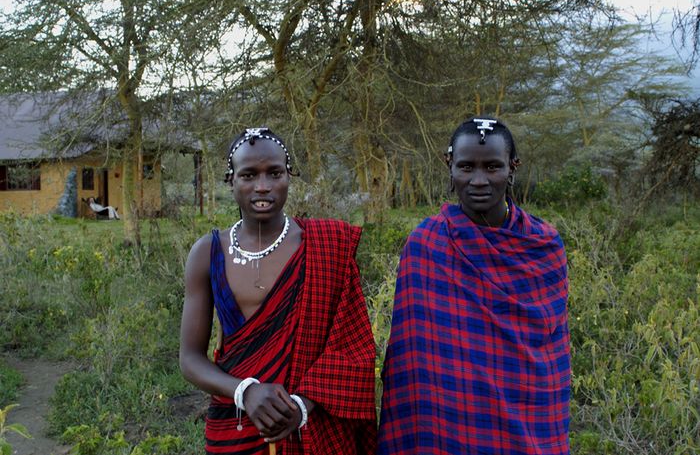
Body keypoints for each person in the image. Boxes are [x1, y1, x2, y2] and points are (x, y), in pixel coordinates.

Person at [378, 117, 570, 454]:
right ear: (450, 167)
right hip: (444, 421)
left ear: (512, 169)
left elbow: (549, 363)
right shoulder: (426, 244)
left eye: (493, 166)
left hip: (526, 421)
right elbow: (414, 357)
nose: (479, 180)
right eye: (466, 167)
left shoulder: (543, 246)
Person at [179, 127, 377, 455]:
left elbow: (352, 349)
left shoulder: (327, 246)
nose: (262, 186)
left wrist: (300, 406)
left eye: (274, 173)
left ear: (289, 176)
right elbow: (190, 359)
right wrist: (245, 392)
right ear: (231, 181)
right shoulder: (207, 253)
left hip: (315, 422)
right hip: (236, 425)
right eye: (248, 175)